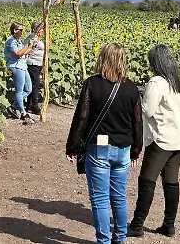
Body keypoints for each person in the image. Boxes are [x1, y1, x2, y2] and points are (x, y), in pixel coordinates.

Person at [66, 44, 143, 244]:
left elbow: (82, 117)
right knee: (119, 196)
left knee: (100, 198)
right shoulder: (131, 88)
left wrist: (72, 146)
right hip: (123, 149)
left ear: (102, 59)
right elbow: (137, 121)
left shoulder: (92, 84)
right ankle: (120, 239)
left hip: (99, 148)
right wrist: (136, 150)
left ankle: (103, 241)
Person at [128, 45, 180, 239]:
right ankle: (169, 225)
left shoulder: (157, 82)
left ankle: (137, 225)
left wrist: (137, 97)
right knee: (171, 182)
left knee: (147, 180)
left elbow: (147, 111)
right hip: (178, 138)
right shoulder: (177, 82)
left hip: (160, 139)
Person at [4, 22, 36, 123]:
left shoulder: (18, 40)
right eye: (20, 30)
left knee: (28, 89)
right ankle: (23, 113)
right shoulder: (11, 41)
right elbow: (18, 54)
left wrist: (31, 47)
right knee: (19, 91)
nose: (22, 32)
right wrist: (27, 45)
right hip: (16, 67)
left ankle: (13, 106)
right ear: (15, 30)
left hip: (22, 66)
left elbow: (23, 52)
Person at [26, 21, 47, 116]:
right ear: (36, 29)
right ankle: (34, 105)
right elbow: (26, 47)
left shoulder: (37, 38)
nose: (42, 31)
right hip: (33, 64)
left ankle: (29, 105)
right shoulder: (32, 38)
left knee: (32, 85)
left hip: (37, 64)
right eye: (40, 29)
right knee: (36, 84)